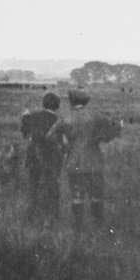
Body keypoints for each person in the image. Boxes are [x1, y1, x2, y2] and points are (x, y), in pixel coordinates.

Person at [46, 89, 122, 229]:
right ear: (86, 102)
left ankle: (78, 228)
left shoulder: (64, 117)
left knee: (77, 196)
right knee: (96, 196)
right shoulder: (94, 115)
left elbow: (49, 136)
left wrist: (63, 146)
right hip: (94, 159)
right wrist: (102, 138)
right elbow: (117, 126)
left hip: (73, 161)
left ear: (71, 101)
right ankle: (98, 227)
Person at [20, 92, 63, 222]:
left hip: (33, 157)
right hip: (51, 159)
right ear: (57, 106)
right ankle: (50, 218)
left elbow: (25, 132)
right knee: (51, 188)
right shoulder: (59, 120)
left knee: (33, 187)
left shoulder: (32, 117)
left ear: (43, 103)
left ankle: (30, 216)